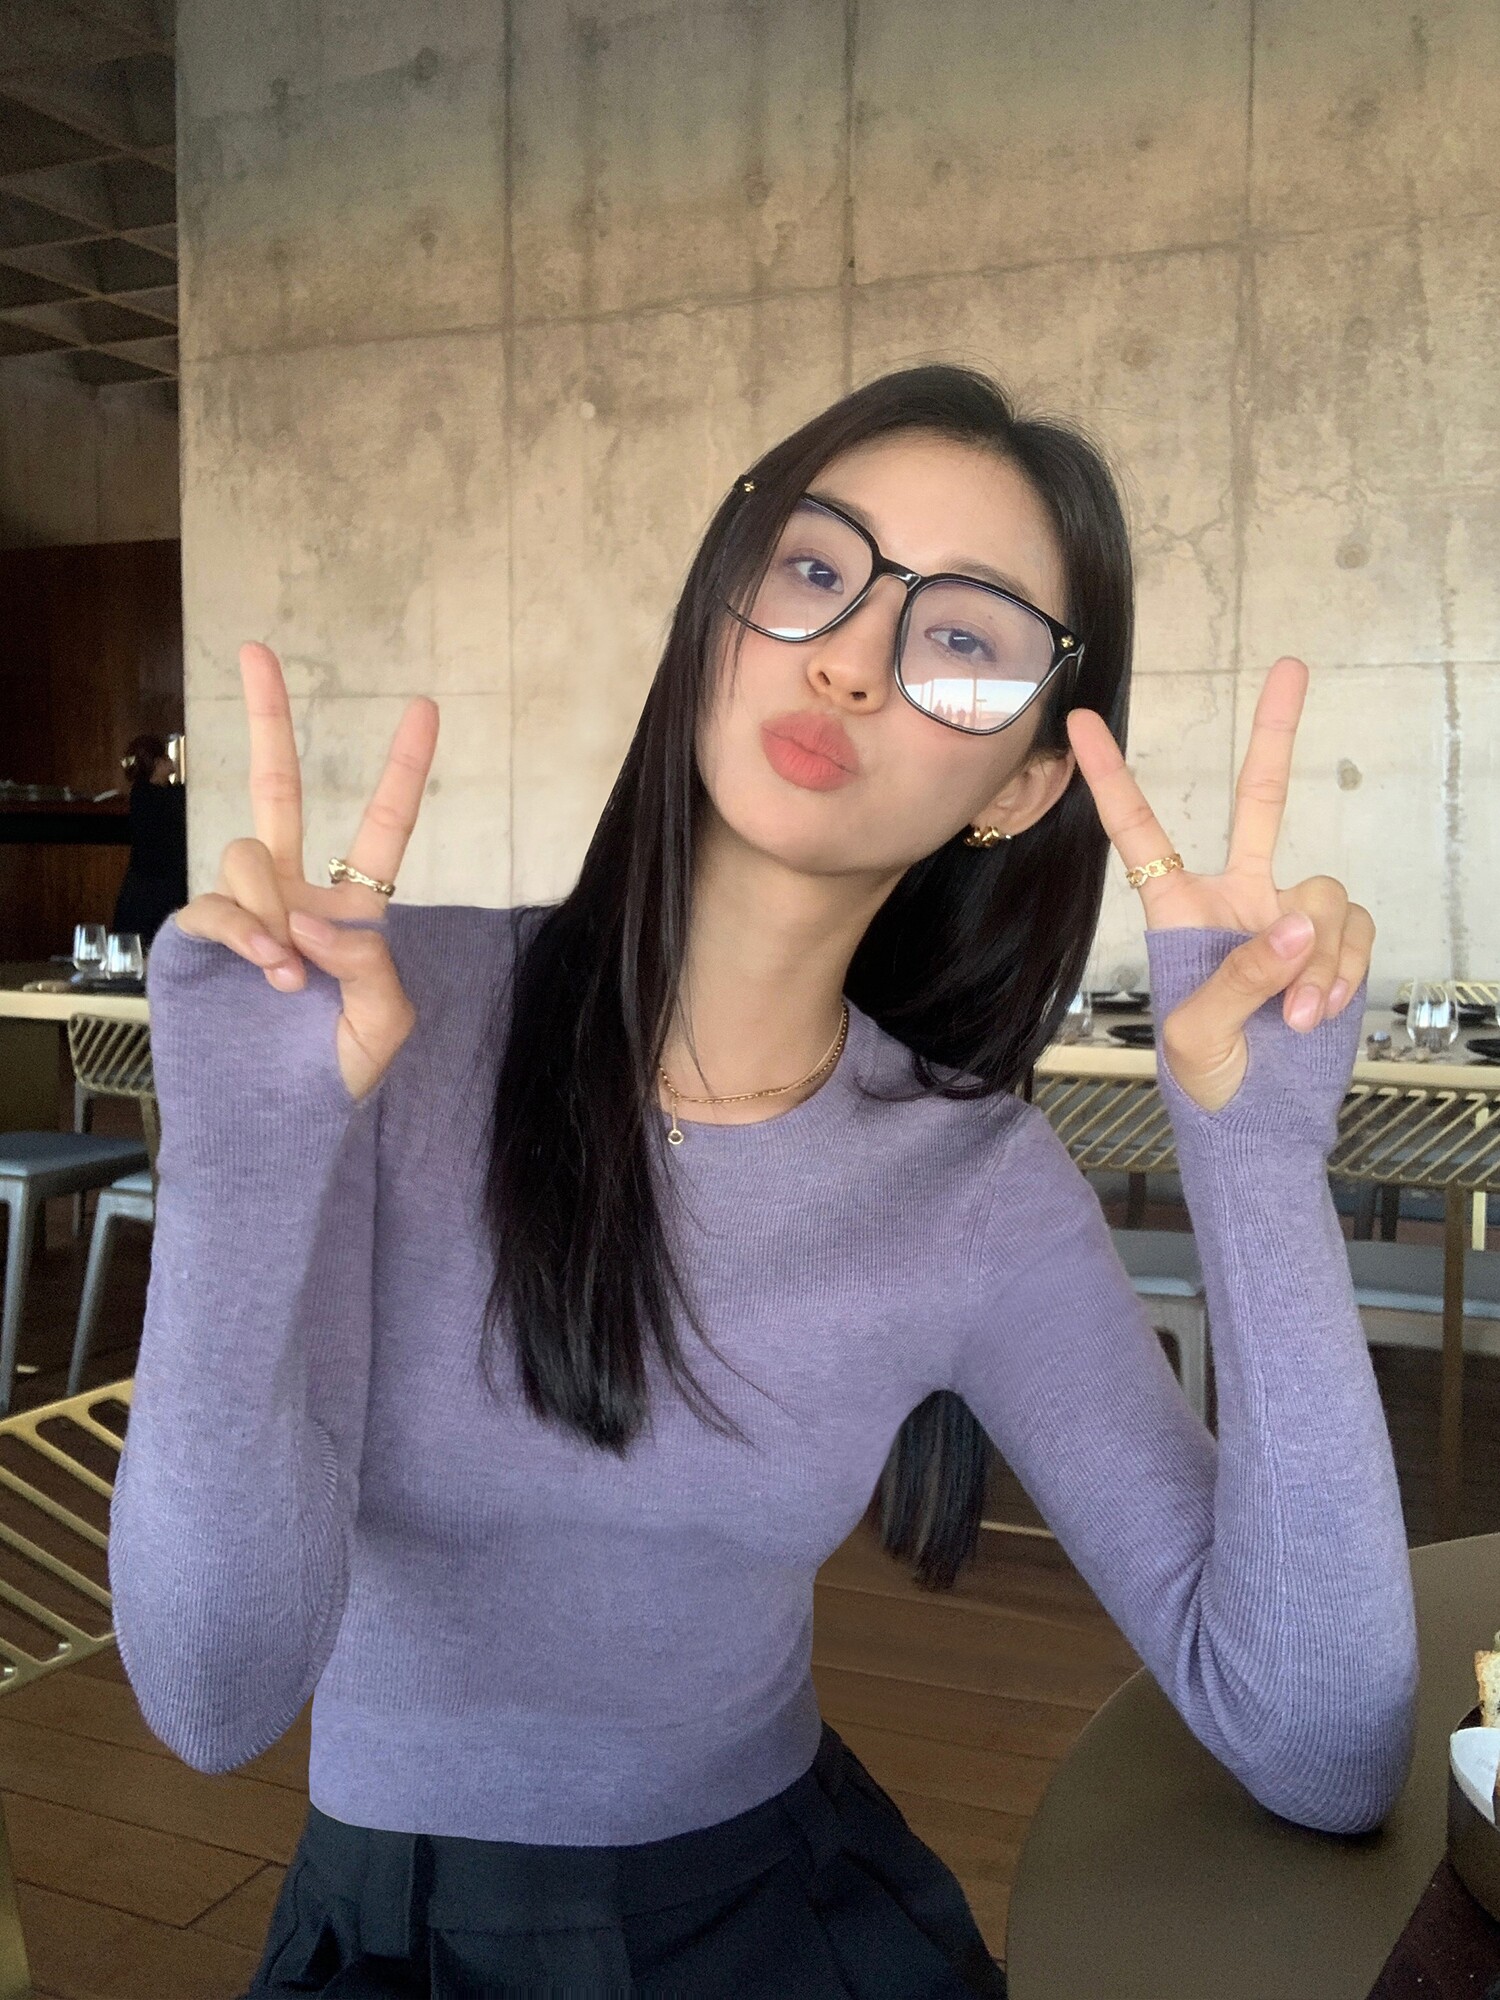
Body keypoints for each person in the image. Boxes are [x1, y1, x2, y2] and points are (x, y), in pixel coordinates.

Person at [109, 366, 1417, 1998]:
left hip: (782, 1926)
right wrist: (242, 1158)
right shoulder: (374, 1026)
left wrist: (1261, 1152)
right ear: (715, 612)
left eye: (963, 639)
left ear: (1020, 785)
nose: (853, 658)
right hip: (392, 1939)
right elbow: (213, 1700)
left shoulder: (972, 1180)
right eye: (815, 567)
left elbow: (1322, 1745)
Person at [110, 732, 187, 948]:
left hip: (140, 886)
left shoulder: (140, 793)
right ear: (158, 763)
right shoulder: (167, 798)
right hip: (161, 888)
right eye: (166, 757)